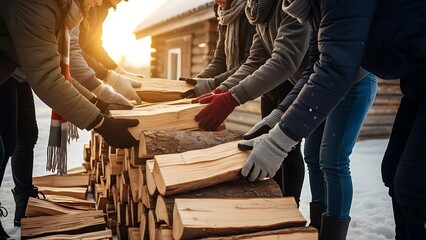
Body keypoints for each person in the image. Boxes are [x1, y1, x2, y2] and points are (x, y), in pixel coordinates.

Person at [238, 0, 426, 239]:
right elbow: (317, 65)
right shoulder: (318, 7)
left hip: (385, 79)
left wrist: (278, 142)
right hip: (417, 83)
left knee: (412, 186)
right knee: (392, 173)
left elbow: (336, 66)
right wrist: (278, 117)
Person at [0, 0, 138, 237]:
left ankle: (23, 202)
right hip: (8, 64)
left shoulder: (65, 6)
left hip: (12, 65)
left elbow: (56, 70)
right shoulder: (36, 4)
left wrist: (99, 104)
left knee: (18, 137)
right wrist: (101, 122)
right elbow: (47, 77)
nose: (98, 2)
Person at [191, 0, 309, 205]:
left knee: (315, 157)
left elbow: (284, 60)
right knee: (271, 147)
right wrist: (220, 91)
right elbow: (254, 61)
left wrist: (231, 98)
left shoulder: (285, 5)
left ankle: (292, 207)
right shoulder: (257, 10)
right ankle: (277, 204)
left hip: (303, 83)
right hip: (276, 85)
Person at [180, 0, 256, 98]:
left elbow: (250, 63)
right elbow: (220, 61)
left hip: (274, 85)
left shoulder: (252, 14)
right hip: (265, 93)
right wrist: (197, 81)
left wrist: (212, 84)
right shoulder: (225, 17)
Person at [77, 0, 143, 104]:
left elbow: (93, 46)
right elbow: (73, 51)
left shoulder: (103, 9)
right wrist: (109, 77)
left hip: (79, 72)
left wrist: (114, 69)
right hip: (74, 75)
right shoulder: (87, 5)